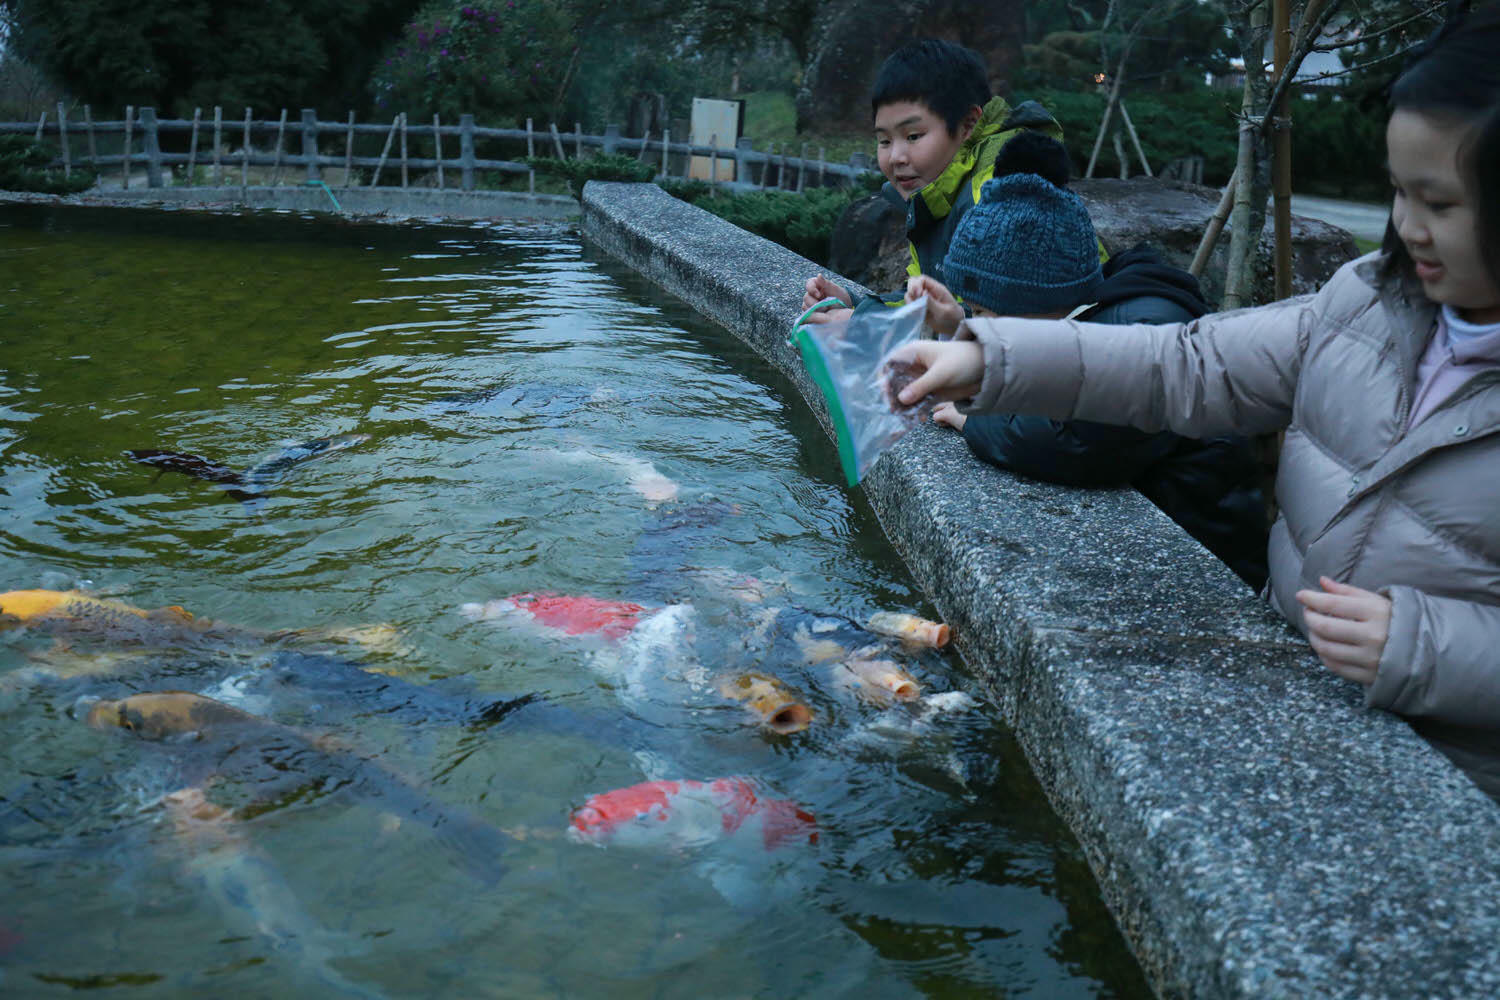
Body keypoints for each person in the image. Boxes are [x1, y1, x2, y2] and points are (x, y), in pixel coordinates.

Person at [886, 6, 1500, 799]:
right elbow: (1188, 366)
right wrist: (990, 357)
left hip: (1453, 794)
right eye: (1398, 194)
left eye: (1440, 204)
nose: (1409, 229)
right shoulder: (1363, 303)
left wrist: (1424, 648)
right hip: (1294, 706)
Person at [907, 139, 1268, 588]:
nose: (979, 326)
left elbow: (1073, 445)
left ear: (1032, 297)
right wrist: (955, 320)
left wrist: (970, 419)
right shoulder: (1089, 306)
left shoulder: (1146, 329)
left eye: (983, 314)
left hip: (1210, 569)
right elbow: (1047, 347)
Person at [801, 38, 1063, 323]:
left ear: (968, 125)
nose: (896, 157)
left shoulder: (1002, 189)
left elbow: (1001, 325)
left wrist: (857, 322)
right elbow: (929, 302)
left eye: (913, 136)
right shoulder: (934, 195)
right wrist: (853, 303)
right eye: (884, 140)